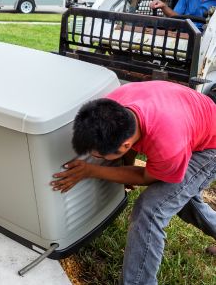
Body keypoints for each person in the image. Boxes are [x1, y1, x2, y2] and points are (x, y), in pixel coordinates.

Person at [50, 80, 216, 284]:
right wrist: (119, 166)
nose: (95, 158)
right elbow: (132, 151)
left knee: (151, 209)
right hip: (191, 120)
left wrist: (91, 170)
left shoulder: (167, 144)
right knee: (179, 197)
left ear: (125, 145)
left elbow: (146, 177)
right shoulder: (111, 107)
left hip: (210, 147)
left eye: (99, 155)